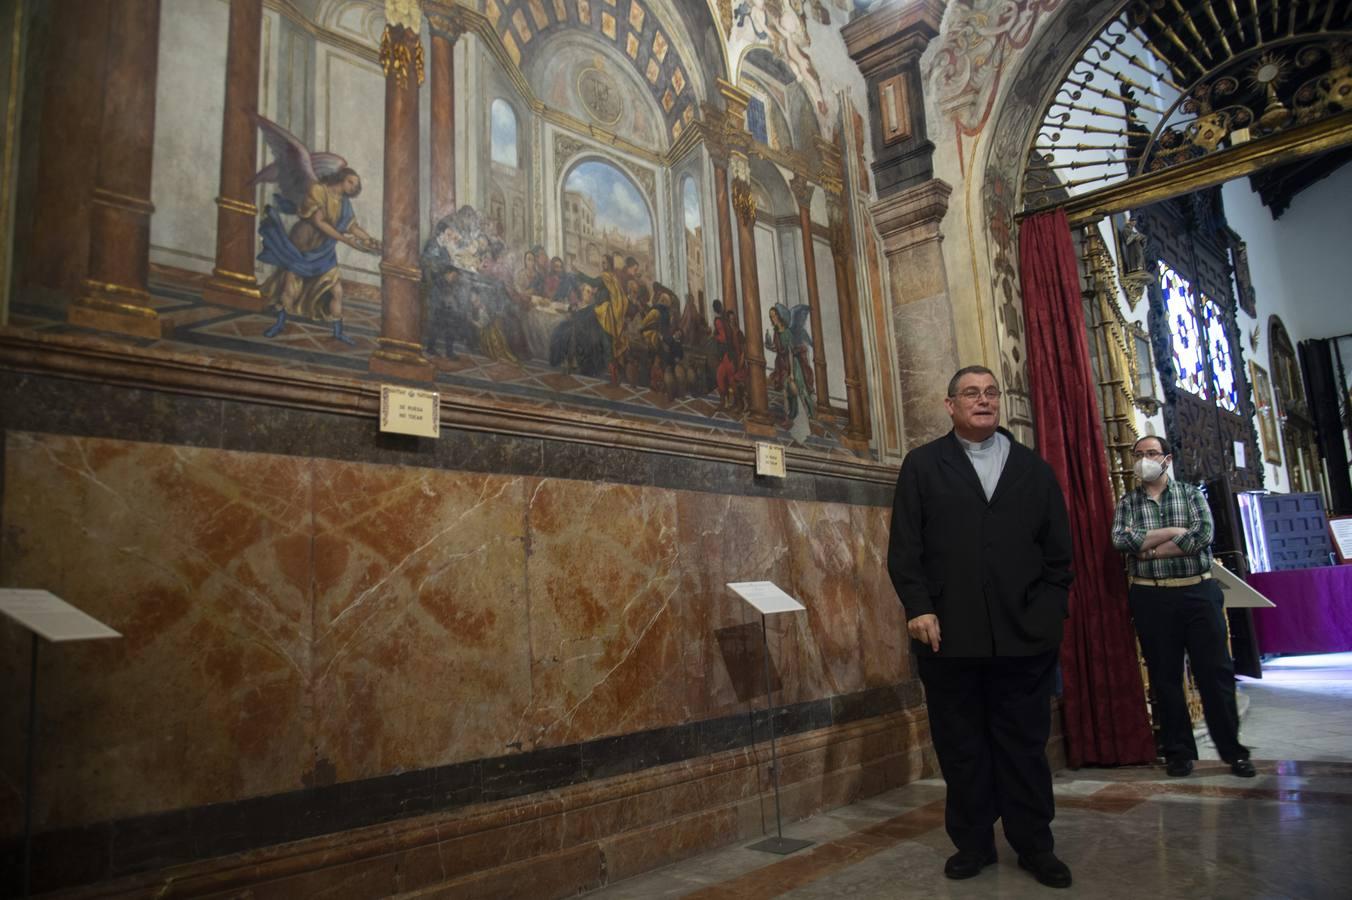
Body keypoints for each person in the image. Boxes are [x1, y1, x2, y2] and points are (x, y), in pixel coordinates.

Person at [887, 365, 1074, 889]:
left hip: (1024, 638)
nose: (984, 400)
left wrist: (1048, 615)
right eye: (971, 393)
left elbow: (1059, 557)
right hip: (948, 637)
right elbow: (905, 550)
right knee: (962, 746)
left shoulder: (1034, 470)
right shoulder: (923, 466)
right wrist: (918, 607)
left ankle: (1035, 844)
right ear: (950, 406)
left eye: (991, 392)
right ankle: (973, 844)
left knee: (1024, 746)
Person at [1110, 435, 1255, 779]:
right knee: (1165, 677)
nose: (1144, 459)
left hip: (1197, 593)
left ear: (1166, 459)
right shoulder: (1128, 503)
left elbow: (1201, 535)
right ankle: (1178, 753)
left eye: (1151, 453)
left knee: (1215, 674)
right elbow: (1121, 540)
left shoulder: (1190, 495)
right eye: (1139, 454)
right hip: (1151, 596)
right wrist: (1174, 531)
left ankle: (1233, 751)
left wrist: (1150, 548)